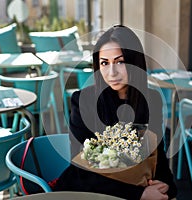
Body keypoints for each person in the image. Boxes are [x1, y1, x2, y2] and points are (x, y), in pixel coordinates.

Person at [54, 25, 177, 200]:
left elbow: (157, 153)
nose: (112, 73)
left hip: (138, 184)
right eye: (105, 63)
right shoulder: (84, 101)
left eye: (120, 62)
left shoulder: (152, 99)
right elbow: (82, 170)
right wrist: (138, 194)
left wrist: (166, 184)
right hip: (88, 191)